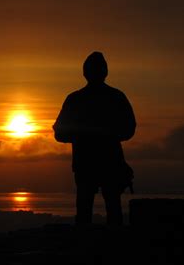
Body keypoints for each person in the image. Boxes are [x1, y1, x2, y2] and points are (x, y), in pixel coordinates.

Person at [53, 52, 136, 225]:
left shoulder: (75, 99)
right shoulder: (116, 97)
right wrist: (104, 135)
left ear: (85, 73)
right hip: (106, 162)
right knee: (111, 210)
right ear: (105, 72)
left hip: (90, 163)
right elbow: (128, 129)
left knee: (89, 210)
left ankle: (85, 248)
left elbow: (60, 133)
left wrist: (84, 135)